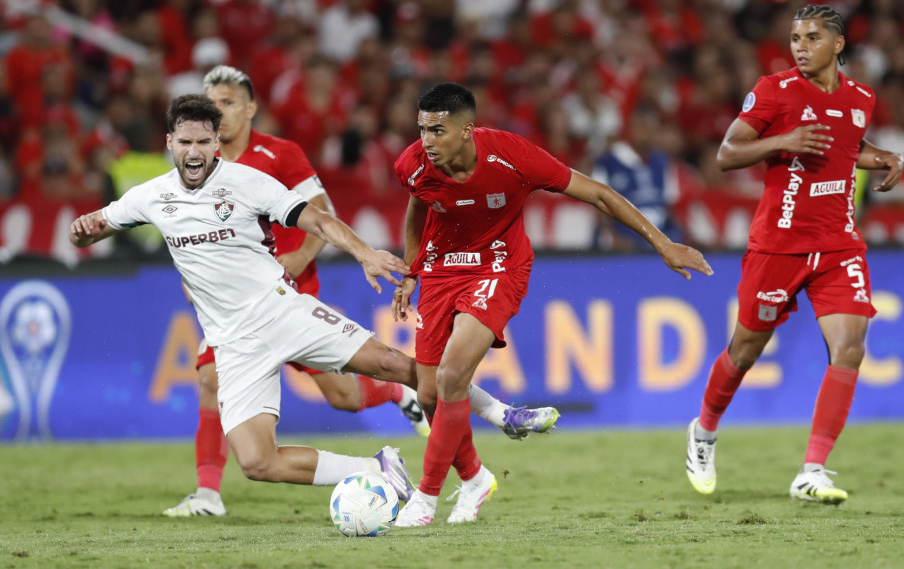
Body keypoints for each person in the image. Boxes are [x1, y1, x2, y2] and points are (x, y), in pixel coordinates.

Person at [70, 94, 420, 504]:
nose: (194, 151)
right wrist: (83, 232)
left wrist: (364, 253)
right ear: (170, 143)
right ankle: (378, 469)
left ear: (216, 142)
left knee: (389, 364)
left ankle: (491, 412)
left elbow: (318, 220)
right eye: (185, 142)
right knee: (257, 462)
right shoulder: (151, 196)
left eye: (203, 142)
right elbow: (98, 227)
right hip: (235, 345)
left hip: (280, 312)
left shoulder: (248, 182)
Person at [392, 82, 713, 527]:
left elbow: (598, 193)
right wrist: (412, 270)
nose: (427, 141)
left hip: (498, 269)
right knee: (430, 394)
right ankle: (474, 478)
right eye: (423, 129)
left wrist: (662, 244)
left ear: (467, 130)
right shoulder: (412, 164)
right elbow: (417, 206)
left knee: (450, 375)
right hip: (443, 270)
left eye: (438, 131)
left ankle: (424, 499)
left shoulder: (513, 156)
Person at [162, 65, 428, 518]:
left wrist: (300, 260)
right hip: (236, 315)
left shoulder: (278, 153)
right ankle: (208, 493)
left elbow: (323, 213)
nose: (217, 112)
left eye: (226, 102)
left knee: (345, 397)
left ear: (250, 108)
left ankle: (402, 395)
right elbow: (189, 235)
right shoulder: (197, 167)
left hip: (288, 299)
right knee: (209, 379)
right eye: (211, 103)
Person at [684, 4, 904, 504]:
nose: (800, 46)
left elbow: (847, 143)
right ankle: (704, 430)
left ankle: (812, 471)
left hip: (838, 243)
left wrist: (883, 157)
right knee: (745, 351)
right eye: (795, 38)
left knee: (850, 348)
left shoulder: (861, 97)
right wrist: (783, 140)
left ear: (838, 44)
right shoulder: (774, 90)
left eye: (811, 37)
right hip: (779, 246)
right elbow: (726, 154)